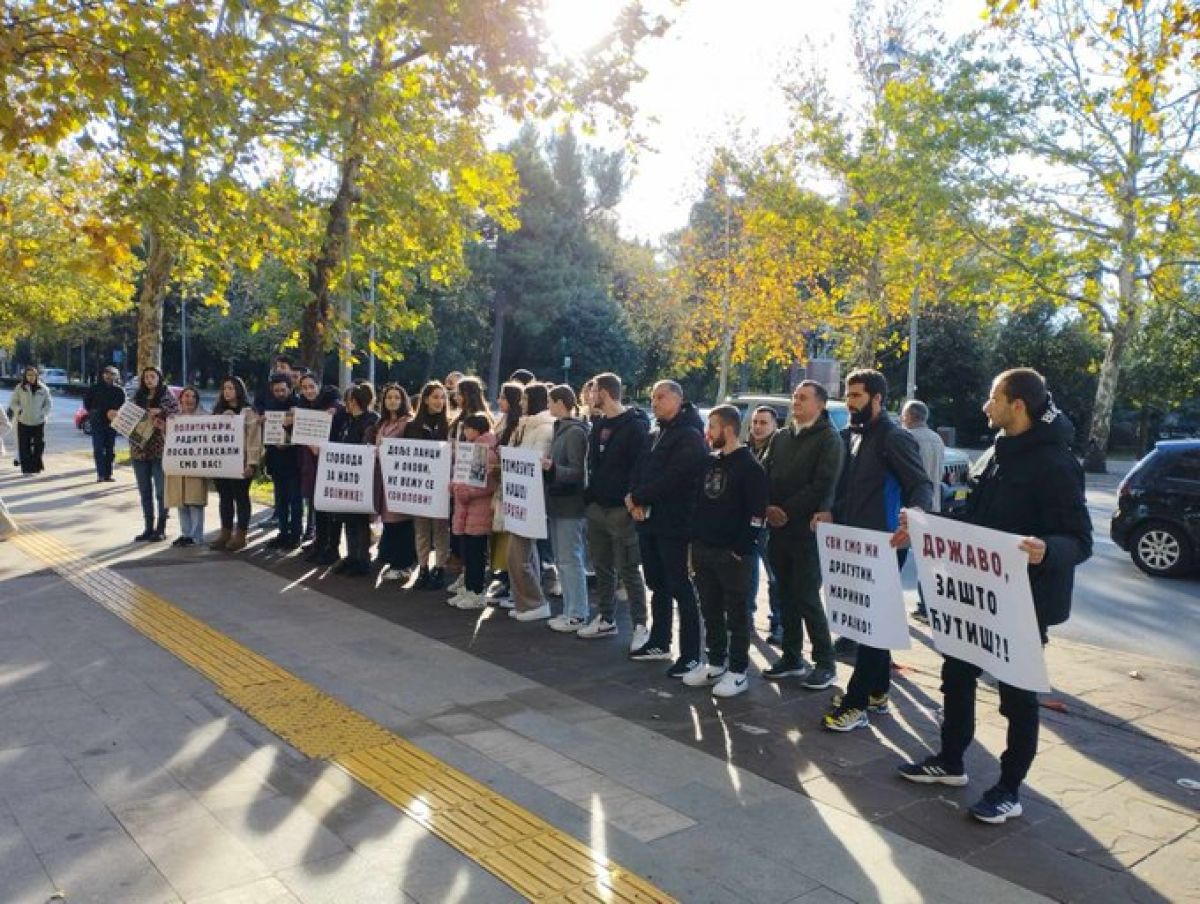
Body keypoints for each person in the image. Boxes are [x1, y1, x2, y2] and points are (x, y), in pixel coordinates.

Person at [898, 368, 1092, 824]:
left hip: (1024, 603)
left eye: (993, 398)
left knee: (1017, 698)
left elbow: (1078, 540)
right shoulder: (993, 455)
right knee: (956, 675)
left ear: (1017, 405)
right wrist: (923, 529)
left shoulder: (1056, 464)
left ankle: (1009, 789)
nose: (986, 406)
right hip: (974, 598)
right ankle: (950, 760)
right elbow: (969, 519)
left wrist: (1047, 551)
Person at [822, 369, 933, 732]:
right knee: (871, 621)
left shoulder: (893, 436)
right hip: (854, 543)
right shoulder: (855, 435)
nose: (849, 402)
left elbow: (919, 484)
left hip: (884, 543)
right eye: (848, 395)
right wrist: (832, 513)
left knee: (869, 626)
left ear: (877, 399)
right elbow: (852, 491)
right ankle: (878, 692)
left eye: (856, 396)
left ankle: (856, 704)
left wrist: (913, 518)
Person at [762, 382, 845, 688]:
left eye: (803, 398)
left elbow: (823, 484)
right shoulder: (783, 436)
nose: (795, 402)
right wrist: (768, 506)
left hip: (806, 531)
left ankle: (825, 663)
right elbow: (766, 472)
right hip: (778, 530)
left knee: (807, 596)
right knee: (785, 595)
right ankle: (792, 657)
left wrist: (786, 511)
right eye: (794, 397)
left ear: (821, 404)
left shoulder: (829, 439)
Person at [683, 405, 768, 698]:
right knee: (710, 609)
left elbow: (758, 514)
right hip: (704, 549)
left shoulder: (750, 466)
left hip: (732, 555)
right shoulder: (708, 463)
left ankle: (738, 670)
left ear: (729, 429)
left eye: (713, 427)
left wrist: (742, 548)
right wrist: (693, 543)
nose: (708, 433)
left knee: (737, 614)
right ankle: (716, 662)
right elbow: (696, 503)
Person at [627, 380, 708, 677]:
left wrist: (639, 496)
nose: (655, 402)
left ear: (678, 398)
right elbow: (638, 469)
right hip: (648, 521)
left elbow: (678, 477)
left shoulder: (689, 434)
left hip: (675, 523)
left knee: (680, 587)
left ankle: (690, 655)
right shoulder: (654, 433)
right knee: (656, 584)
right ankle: (659, 641)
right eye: (652, 397)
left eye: (661, 397)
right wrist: (632, 497)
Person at [579, 372, 650, 646]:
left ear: (604, 393)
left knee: (629, 569)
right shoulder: (598, 424)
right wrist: (590, 498)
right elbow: (593, 465)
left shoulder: (634, 426)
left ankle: (640, 627)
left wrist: (632, 500)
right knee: (602, 566)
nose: (588, 395)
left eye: (593, 390)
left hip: (621, 509)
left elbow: (640, 466)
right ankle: (606, 619)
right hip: (598, 507)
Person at [543, 385, 590, 633]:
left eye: (550, 401)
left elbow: (578, 472)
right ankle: (571, 611)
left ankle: (577, 613)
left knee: (570, 559)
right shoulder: (564, 429)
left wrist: (551, 468)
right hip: (560, 504)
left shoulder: (573, 432)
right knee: (564, 559)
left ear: (561, 403)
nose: (548, 406)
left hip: (570, 505)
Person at [507, 382, 556, 622]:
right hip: (521, 496)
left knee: (518, 555)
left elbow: (533, 462)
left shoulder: (544, 429)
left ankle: (534, 601)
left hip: (531, 498)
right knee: (525, 554)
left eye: (524, 399)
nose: (520, 403)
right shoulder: (525, 426)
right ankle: (527, 601)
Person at [447, 413, 500, 610]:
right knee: (469, 553)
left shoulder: (483, 452)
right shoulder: (474, 450)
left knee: (476, 554)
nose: (464, 432)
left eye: (467, 429)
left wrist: (463, 490)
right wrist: (455, 486)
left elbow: (485, 485)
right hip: (468, 510)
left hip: (477, 511)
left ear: (475, 430)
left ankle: (476, 591)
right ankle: (469, 589)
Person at [209, 376, 263, 553]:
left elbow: (253, 439)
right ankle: (225, 532)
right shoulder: (217, 412)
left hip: (241, 463)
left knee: (240, 497)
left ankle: (241, 533)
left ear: (239, 390)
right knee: (224, 498)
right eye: (224, 388)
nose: (227, 392)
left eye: (231, 388)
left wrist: (252, 463)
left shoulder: (247, 412)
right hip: (221, 464)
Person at [901, 400, 945, 621]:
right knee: (928, 560)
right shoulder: (937, 438)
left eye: (903, 415)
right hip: (934, 505)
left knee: (899, 556)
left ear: (910, 416)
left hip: (914, 506)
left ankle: (922, 607)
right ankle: (928, 607)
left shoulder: (908, 438)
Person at [405, 380, 451, 588]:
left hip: (442, 486)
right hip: (420, 486)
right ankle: (423, 568)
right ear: (425, 399)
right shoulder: (412, 426)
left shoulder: (449, 425)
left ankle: (439, 568)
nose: (439, 401)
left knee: (441, 529)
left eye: (443, 397)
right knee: (421, 529)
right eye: (435, 397)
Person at [297, 374, 346, 563]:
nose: (309, 391)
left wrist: (335, 411)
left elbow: (340, 413)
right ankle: (319, 544)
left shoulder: (332, 404)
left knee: (330, 508)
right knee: (317, 506)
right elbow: (299, 433)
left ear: (319, 386)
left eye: (312, 386)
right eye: (305, 387)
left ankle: (331, 548)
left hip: (329, 463)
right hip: (310, 463)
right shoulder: (302, 406)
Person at [331, 383, 379, 576]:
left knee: (359, 520)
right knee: (348, 518)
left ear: (356, 401)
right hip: (346, 477)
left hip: (362, 478)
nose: (346, 404)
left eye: (349, 400)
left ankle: (362, 559)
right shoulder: (348, 420)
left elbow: (365, 447)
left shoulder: (370, 421)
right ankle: (351, 556)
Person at [129, 367, 180, 542]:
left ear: (159, 378)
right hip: (139, 450)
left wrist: (161, 413)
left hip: (160, 450)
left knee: (161, 491)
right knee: (145, 491)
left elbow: (177, 416)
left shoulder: (168, 396)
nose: (149, 380)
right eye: (146, 377)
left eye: (153, 376)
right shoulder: (137, 397)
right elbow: (127, 417)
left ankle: (161, 528)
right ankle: (148, 527)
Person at [746, 405, 783, 645]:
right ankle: (745, 618)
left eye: (764, 423)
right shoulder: (745, 450)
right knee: (747, 573)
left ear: (774, 426)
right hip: (748, 523)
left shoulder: (779, 451)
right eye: (755, 422)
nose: (758, 427)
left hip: (770, 525)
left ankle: (778, 623)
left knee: (774, 577)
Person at [374, 383, 418, 582]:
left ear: (403, 401)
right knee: (389, 521)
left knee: (401, 522)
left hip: (401, 480)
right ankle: (393, 560)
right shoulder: (383, 423)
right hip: (384, 478)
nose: (392, 401)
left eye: (397, 398)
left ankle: (403, 565)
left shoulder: (407, 423)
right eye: (389, 397)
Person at [262, 374, 304, 549]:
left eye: (283, 389)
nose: (280, 393)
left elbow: (304, 432)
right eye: (276, 390)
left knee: (295, 500)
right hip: (276, 460)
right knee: (280, 501)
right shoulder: (270, 406)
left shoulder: (298, 406)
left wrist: (288, 438)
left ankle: (295, 535)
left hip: (294, 461)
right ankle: (282, 533)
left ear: (290, 388)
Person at [166, 387, 209, 547]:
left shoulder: (206, 418)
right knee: (181, 501)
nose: (189, 399)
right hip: (178, 465)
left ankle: (196, 536)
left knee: (195, 501)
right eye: (186, 396)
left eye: (192, 396)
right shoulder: (174, 418)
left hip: (196, 465)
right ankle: (185, 534)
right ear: (180, 399)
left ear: (197, 400)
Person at [84, 365, 125, 482]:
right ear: (103, 374)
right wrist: (94, 413)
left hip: (112, 424)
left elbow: (123, 407)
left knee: (110, 450)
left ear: (116, 376)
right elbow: (87, 404)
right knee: (98, 448)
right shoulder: (94, 388)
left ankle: (108, 474)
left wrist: (115, 414)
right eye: (107, 373)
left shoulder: (119, 391)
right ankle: (100, 474)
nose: (109, 376)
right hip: (97, 423)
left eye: (112, 374)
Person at [11, 366, 51, 475]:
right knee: (24, 446)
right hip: (23, 422)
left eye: (33, 375)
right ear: (25, 376)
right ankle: (27, 470)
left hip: (38, 422)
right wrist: (19, 411)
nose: (31, 377)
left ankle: (36, 467)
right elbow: (13, 403)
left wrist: (43, 414)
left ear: (36, 376)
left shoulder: (43, 389)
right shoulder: (20, 388)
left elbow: (48, 404)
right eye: (28, 375)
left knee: (39, 446)